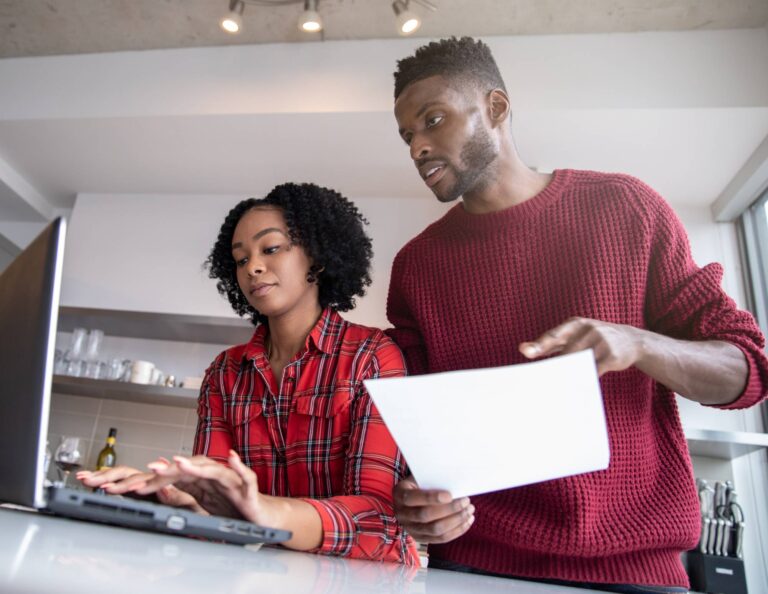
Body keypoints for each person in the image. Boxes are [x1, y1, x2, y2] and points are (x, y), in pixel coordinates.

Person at [386, 37, 768, 592]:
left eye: (433, 120)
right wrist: (418, 501)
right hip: (473, 568)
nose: (418, 147)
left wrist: (639, 344)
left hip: (636, 570)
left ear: (496, 107)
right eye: (407, 136)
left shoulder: (627, 208)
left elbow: (748, 373)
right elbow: (418, 441)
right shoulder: (417, 266)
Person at [78, 182, 418, 565]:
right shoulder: (225, 374)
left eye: (270, 249)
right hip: (275, 574)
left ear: (317, 257)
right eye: (240, 260)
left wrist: (267, 511)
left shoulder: (371, 357)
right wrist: (170, 498)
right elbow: (219, 509)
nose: (252, 267)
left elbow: (377, 519)